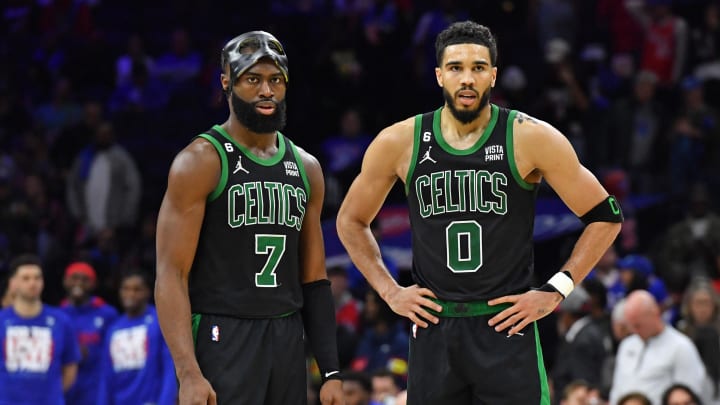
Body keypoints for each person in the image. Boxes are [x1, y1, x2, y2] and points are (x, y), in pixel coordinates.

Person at [336, 20, 623, 404]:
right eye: (455, 68)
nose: (467, 78)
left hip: (506, 326)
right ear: (439, 75)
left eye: (478, 68)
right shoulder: (399, 141)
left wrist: (557, 290)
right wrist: (390, 292)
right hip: (435, 327)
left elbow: (606, 215)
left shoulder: (530, 136)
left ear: (493, 75)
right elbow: (350, 221)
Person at [154, 30, 343, 405]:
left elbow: (315, 278)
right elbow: (171, 273)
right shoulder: (200, 161)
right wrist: (188, 371)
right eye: (252, 79)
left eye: (275, 80)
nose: (266, 91)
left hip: (287, 335)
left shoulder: (307, 168)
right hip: (223, 333)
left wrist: (331, 371)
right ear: (227, 82)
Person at [0, 254, 81, 405]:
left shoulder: (62, 321)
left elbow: (70, 367)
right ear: (13, 283)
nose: (33, 283)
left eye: (37, 278)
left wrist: (51, 395)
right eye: (26, 278)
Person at [610, 290, 707, 405]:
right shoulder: (626, 345)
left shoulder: (681, 346)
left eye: (638, 325)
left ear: (655, 313)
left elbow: (689, 394)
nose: (634, 331)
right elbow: (616, 390)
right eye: (631, 326)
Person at [97, 270, 177, 405]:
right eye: (126, 289)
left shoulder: (159, 321)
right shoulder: (114, 328)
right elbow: (106, 374)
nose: (130, 294)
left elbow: (169, 367)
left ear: (148, 292)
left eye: (137, 289)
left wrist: (165, 401)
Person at [60, 261, 119, 405]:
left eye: (85, 279)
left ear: (94, 283)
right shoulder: (58, 316)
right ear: (65, 281)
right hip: (67, 391)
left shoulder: (107, 314)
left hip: (97, 389)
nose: (79, 283)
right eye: (74, 278)